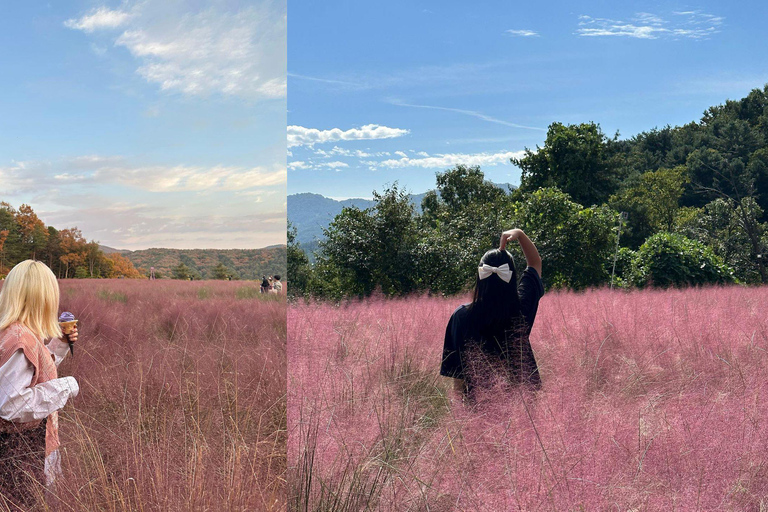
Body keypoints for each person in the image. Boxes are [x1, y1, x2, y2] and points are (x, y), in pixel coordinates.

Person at [0, 260, 80, 509]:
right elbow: (11, 404)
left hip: (22, 447)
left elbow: (33, 370)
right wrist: (66, 386)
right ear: (42, 297)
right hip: (20, 451)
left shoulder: (15, 332)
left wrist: (60, 344)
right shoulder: (20, 339)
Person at [440, 228, 544, 399]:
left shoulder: (460, 316)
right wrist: (519, 233)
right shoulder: (521, 308)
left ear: (480, 276)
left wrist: (461, 420)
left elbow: (458, 380)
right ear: (511, 277)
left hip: (478, 409)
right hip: (522, 407)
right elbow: (535, 263)